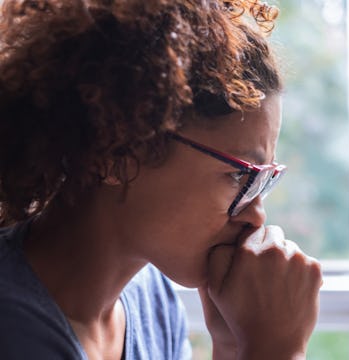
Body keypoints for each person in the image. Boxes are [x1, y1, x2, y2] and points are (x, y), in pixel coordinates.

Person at [0, 0, 323, 359]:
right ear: (117, 150)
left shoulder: (150, 298)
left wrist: (233, 345)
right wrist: (276, 350)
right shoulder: (14, 329)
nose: (256, 216)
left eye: (263, 178)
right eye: (238, 174)